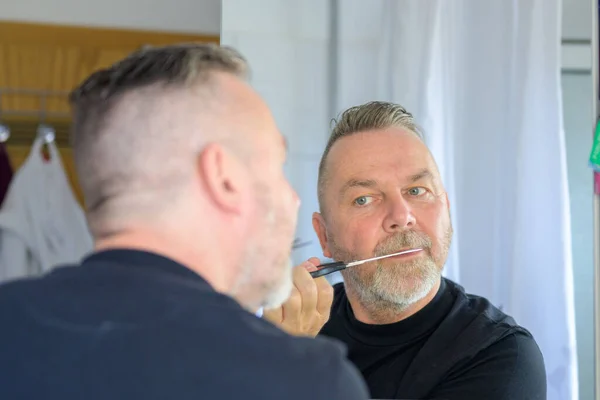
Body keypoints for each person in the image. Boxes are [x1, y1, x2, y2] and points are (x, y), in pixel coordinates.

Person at [0, 44, 369, 400]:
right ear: (224, 177)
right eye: (276, 165)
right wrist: (286, 365)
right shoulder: (310, 382)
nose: (293, 198)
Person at [264, 101, 547, 399]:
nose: (402, 216)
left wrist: (292, 369)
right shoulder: (297, 328)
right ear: (325, 236)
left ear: (446, 210)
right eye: (364, 199)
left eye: (416, 191)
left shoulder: (501, 355)